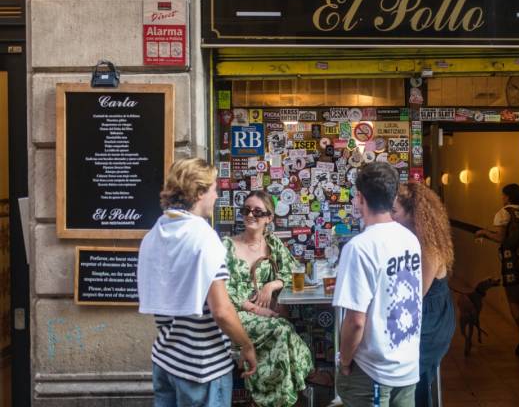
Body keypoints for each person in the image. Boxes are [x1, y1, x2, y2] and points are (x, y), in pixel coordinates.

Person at [138, 157, 258, 407]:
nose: (216, 196)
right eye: (214, 189)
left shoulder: (154, 234)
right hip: (202, 367)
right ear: (200, 191)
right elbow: (222, 311)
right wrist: (246, 345)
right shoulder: (204, 238)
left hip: (165, 359)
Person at [333, 163, 422, 407]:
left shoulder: (359, 248)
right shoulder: (410, 239)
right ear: (393, 197)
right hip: (407, 366)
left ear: (359, 198)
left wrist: (345, 361)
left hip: (372, 372)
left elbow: (355, 321)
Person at [222, 191, 314, 407]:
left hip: (267, 317)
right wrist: (257, 310)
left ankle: (272, 399)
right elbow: (224, 290)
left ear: (269, 218)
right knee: (281, 329)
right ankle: (301, 382)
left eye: (257, 211)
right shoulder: (227, 245)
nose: (250, 215)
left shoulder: (272, 243)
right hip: (234, 315)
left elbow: (293, 271)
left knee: (281, 332)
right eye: (246, 210)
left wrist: (271, 285)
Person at [393, 182, 455, 407]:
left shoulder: (428, 246)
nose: (391, 217)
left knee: (410, 375)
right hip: (419, 317)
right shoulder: (408, 238)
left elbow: (416, 293)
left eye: (395, 211)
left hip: (431, 320)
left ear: (412, 213)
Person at [474, 183, 519, 358]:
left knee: (513, 300)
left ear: (507, 197)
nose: (502, 198)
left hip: (511, 264)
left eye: (503, 195)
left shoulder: (504, 213)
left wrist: (483, 232)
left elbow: (500, 237)